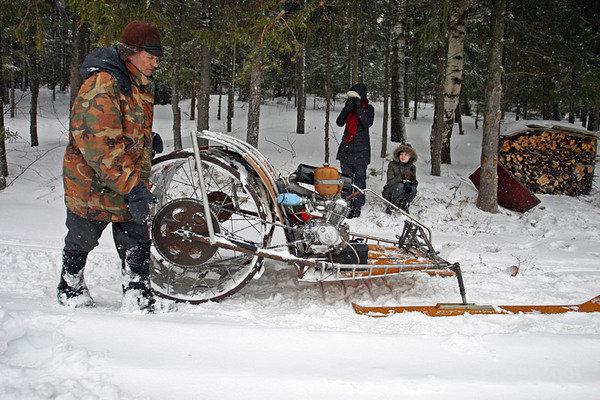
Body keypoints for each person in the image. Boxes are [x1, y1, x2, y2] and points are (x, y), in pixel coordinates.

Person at [58, 21, 163, 311]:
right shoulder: (103, 84)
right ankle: (70, 286)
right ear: (131, 53)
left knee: (137, 236)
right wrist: (133, 187)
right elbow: (98, 144)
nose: (156, 61)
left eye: (158, 55)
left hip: (124, 177)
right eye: (151, 55)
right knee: (83, 236)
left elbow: (122, 127)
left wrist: (145, 140)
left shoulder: (135, 82)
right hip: (92, 183)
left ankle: (137, 293)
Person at [336, 83, 375, 219]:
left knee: (359, 179)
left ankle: (357, 206)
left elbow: (366, 123)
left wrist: (359, 108)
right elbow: (339, 122)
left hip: (361, 149)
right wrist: (348, 108)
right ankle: (345, 203)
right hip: (346, 147)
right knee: (346, 178)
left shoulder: (369, 109)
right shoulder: (349, 108)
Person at [382, 144, 418, 213]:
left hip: (404, 192)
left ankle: (405, 204)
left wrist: (412, 181)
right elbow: (389, 183)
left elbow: (414, 185)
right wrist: (401, 177)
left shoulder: (412, 167)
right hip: (390, 192)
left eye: (406, 154)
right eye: (401, 154)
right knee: (400, 186)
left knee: (413, 189)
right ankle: (391, 205)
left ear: (410, 156)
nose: (403, 156)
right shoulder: (392, 165)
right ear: (398, 155)